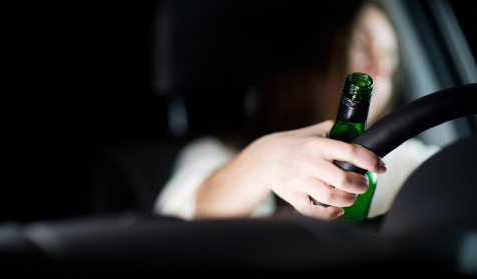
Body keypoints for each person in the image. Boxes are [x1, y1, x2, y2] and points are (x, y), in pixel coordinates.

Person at [153, 0, 439, 221]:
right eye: (363, 44)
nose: (378, 70)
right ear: (314, 53)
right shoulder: (218, 152)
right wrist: (261, 160)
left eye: (389, 61)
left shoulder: (395, 162)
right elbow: (193, 212)